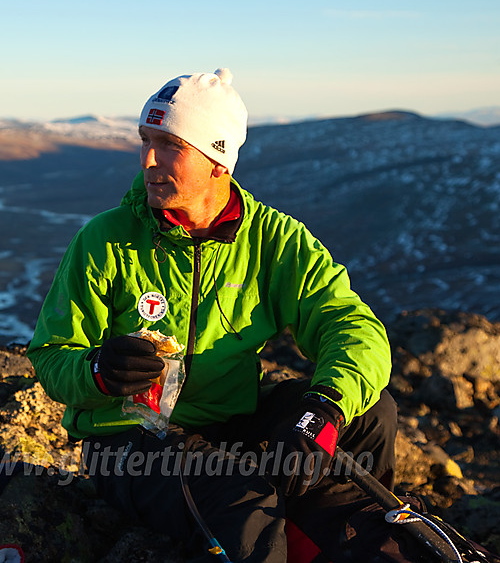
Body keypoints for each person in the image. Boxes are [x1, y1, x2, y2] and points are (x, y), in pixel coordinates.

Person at [27, 68, 396, 562]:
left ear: (219, 160)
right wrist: (97, 370)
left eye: (170, 145)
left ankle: (348, 535)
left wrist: (323, 409)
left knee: (371, 413)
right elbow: (51, 355)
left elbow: (353, 327)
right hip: (128, 441)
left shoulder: (274, 240)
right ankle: (269, 529)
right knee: (240, 495)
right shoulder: (106, 239)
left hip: (231, 420)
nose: (149, 160)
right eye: (145, 140)